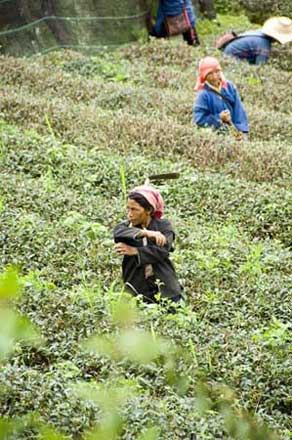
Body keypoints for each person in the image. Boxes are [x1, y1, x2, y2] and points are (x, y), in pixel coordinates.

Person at [113, 185, 184, 305]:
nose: (130, 214)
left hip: (166, 287)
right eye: (128, 209)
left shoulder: (164, 226)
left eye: (134, 209)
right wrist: (146, 233)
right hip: (136, 286)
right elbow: (118, 232)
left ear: (148, 211)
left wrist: (136, 251)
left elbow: (162, 251)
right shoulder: (128, 227)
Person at [193, 56, 249, 135]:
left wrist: (241, 131)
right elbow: (199, 120)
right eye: (210, 73)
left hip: (233, 132)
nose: (215, 76)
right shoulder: (203, 95)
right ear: (204, 76)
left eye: (217, 71)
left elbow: (239, 111)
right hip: (216, 134)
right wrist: (219, 118)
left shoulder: (229, 87)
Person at [222, 16, 292, 65]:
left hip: (229, 52)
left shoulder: (259, 32)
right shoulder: (263, 44)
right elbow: (260, 65)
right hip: (231, 59)